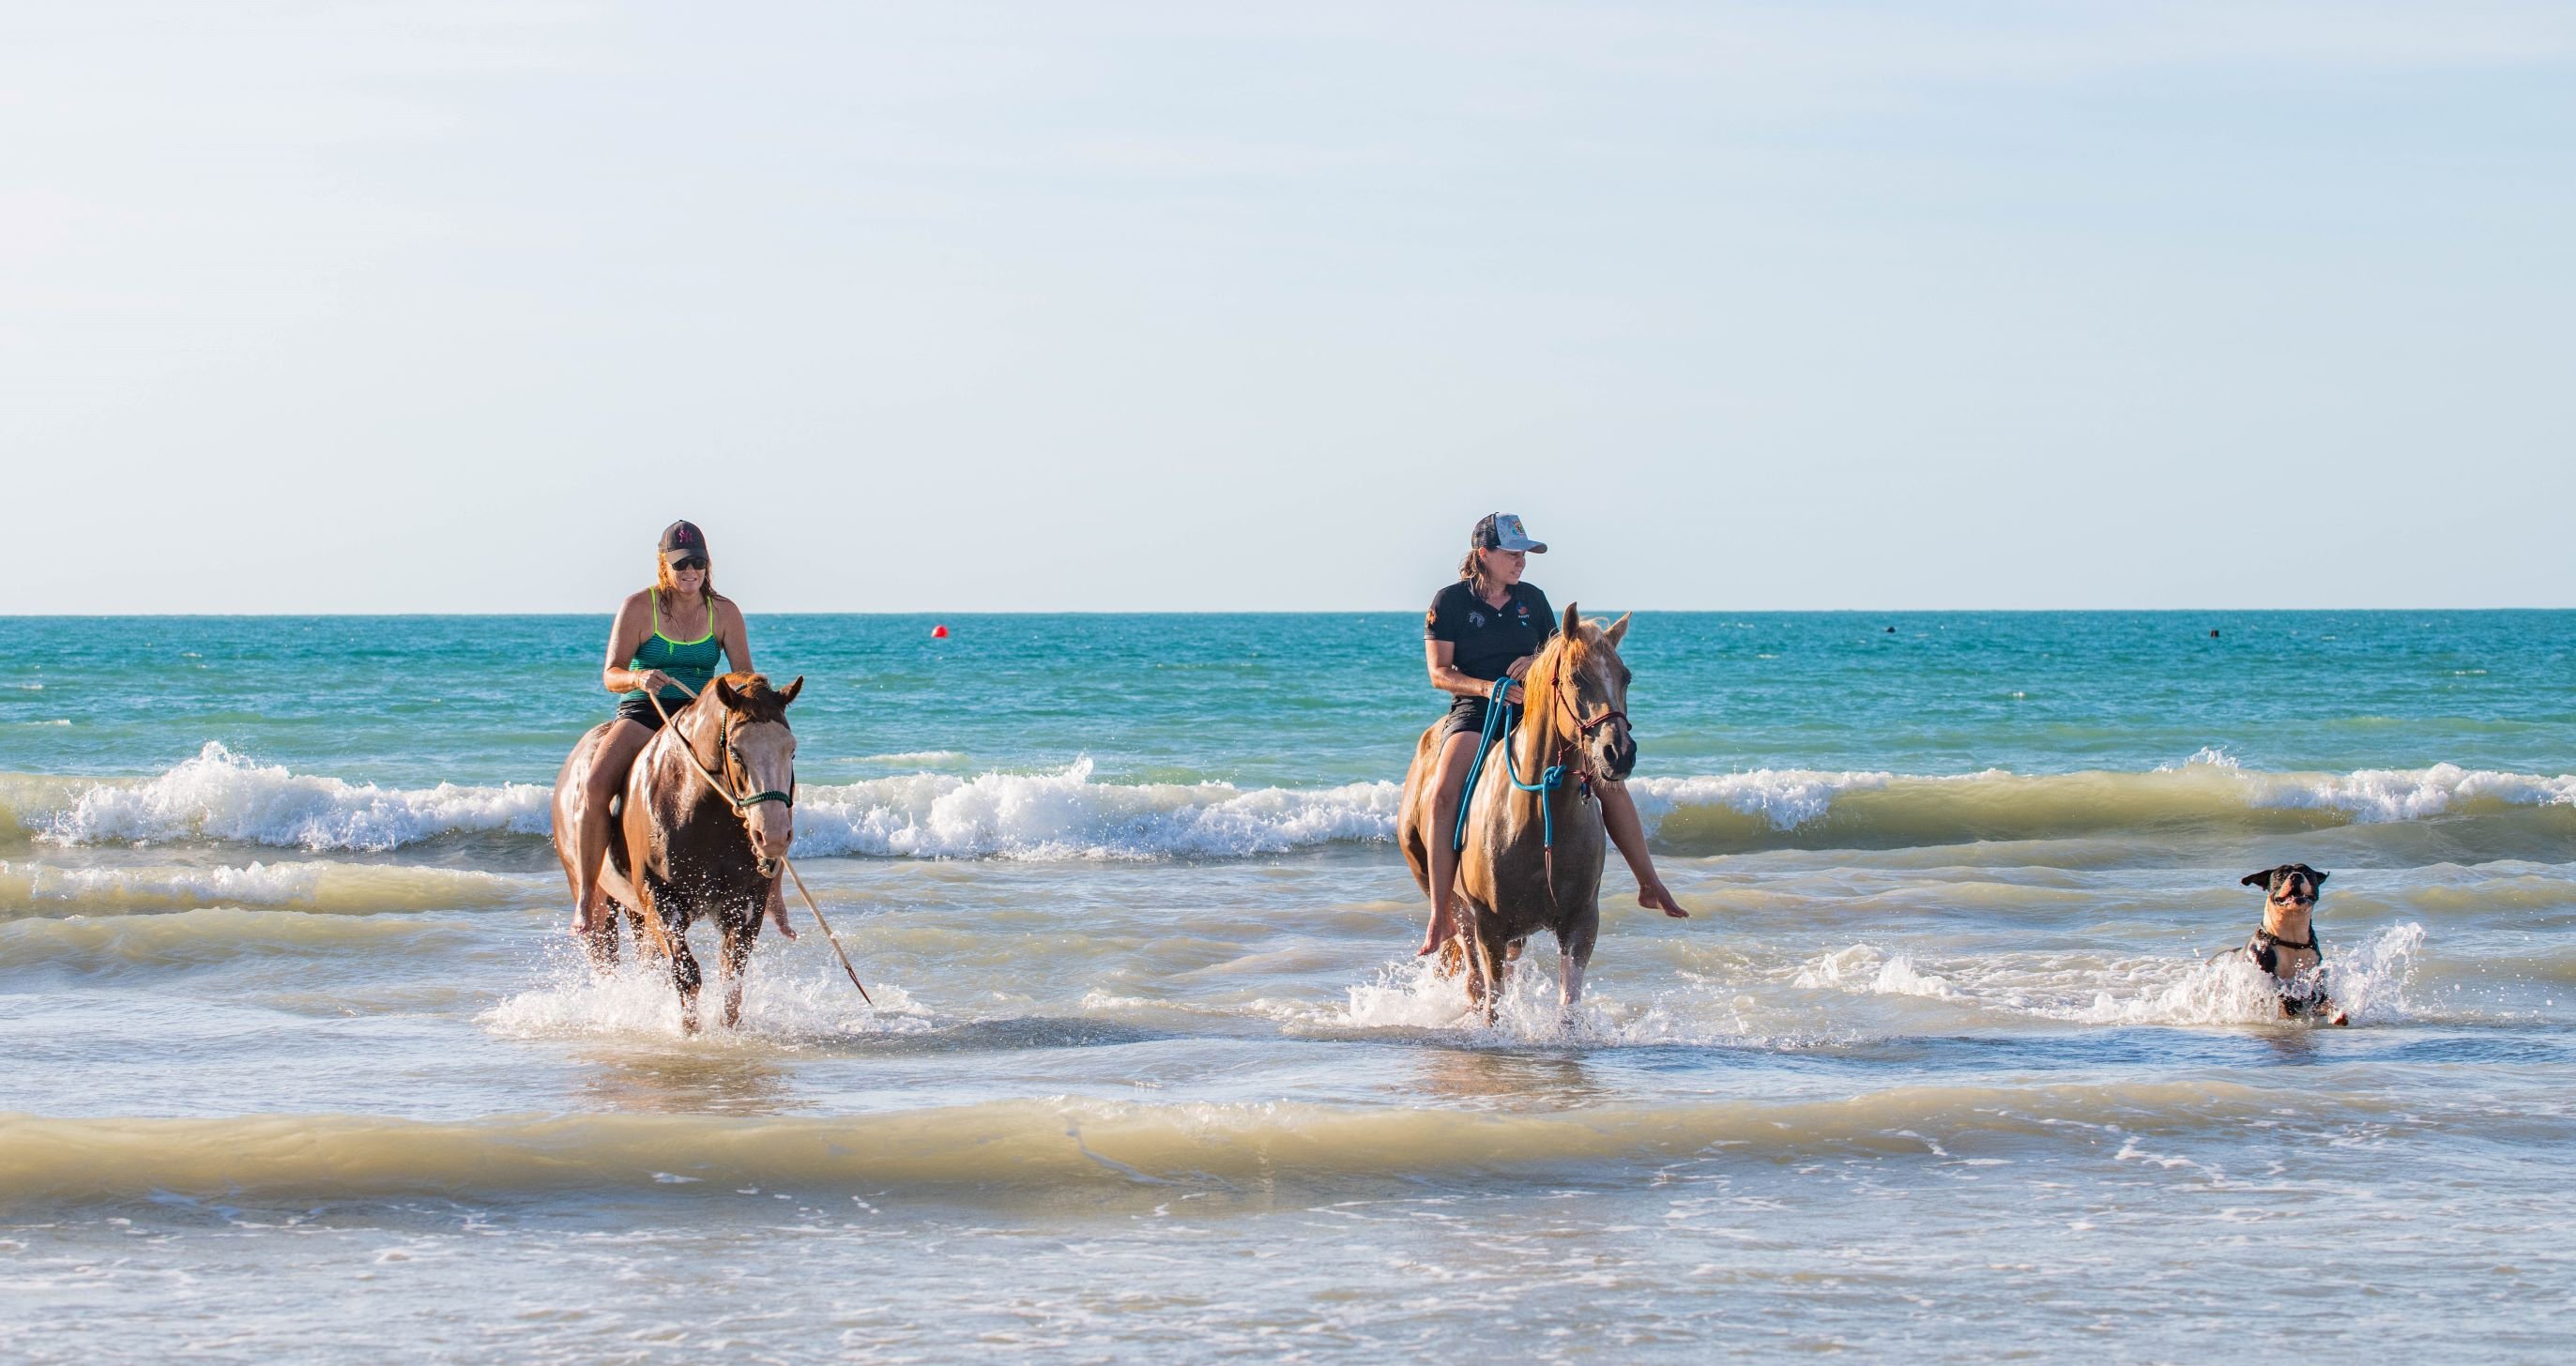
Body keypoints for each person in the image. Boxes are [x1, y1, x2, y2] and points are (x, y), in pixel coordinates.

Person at [1418, 512, 1686, 955]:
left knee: (1607, 781)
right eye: (1512, 553)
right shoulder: (1448, 603)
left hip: (1534, 713)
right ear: (1484, 554)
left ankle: (1649, 882)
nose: (1521, 562)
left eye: (1524, 554)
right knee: (1443, 792)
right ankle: (1441, 913)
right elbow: (1439, 672)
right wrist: (1489, 688)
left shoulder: (1533, 600)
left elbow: (1560, 657)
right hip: (1475, 709)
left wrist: (1535, 664)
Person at [571, 520, 793, 939]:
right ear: (664, 566)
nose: (690, 571)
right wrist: (638, 679)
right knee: (597, 784)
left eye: (698, 563)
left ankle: (773, 894)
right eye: (680, 564)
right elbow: (610, 674)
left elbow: (742, 677)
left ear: (709, 566)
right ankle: (587, 894)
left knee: (772, 783)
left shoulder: (724, 612)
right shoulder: (639, 606)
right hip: (646, 712)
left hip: (698, 718)